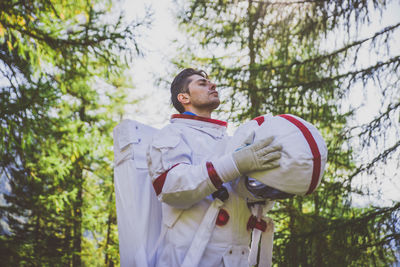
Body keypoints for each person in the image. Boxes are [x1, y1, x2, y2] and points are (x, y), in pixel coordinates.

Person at [146, 68, 282, 267]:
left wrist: (269, 187)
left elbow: (243, 200)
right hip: (189, 259)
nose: (213, 85)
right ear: (183, 97)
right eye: (202, 83)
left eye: (210, 82)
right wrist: (233, 164)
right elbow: (170, 186)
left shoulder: (231, 142)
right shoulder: (173, 134)